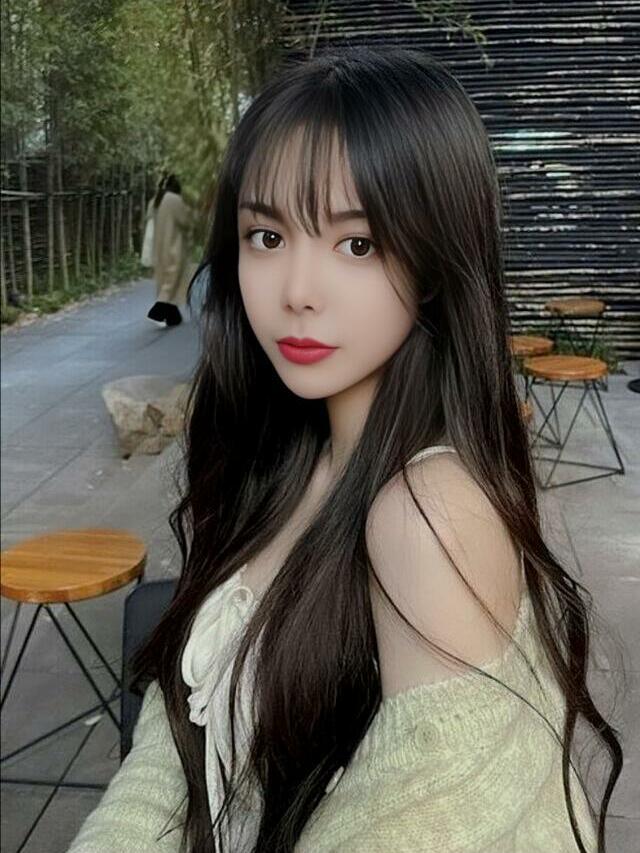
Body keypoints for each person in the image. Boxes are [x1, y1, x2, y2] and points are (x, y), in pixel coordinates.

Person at [68, 46, 621, 852]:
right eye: (266, 235)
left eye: (357, 244)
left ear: (434, 261)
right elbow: (184, 720)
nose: (296, 290)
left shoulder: (426, 515)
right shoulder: (285, 456)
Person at [146, 174, 193, 328]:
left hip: (159, 247)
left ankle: (172, 315)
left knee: (165, 279)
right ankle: (158, 310)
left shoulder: (156, 200)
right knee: (173, 278)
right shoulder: (173, 200)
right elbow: (185, 220)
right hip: (174, 244)